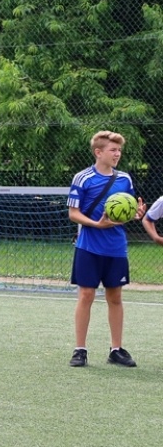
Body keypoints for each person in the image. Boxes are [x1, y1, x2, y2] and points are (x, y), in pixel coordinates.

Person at [67, 131, 138, 368]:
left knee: (115, 297)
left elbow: (125, 210)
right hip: (88, 246)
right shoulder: (82, 178)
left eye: (119, 150)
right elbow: (73, 213)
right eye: (113, 150)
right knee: (86, 295)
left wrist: (136, 214)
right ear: (99, 152)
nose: (117, 154)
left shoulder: (125, 179)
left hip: (116, 248)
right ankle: (80, 350)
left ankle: (116, 350)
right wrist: (97, 224)